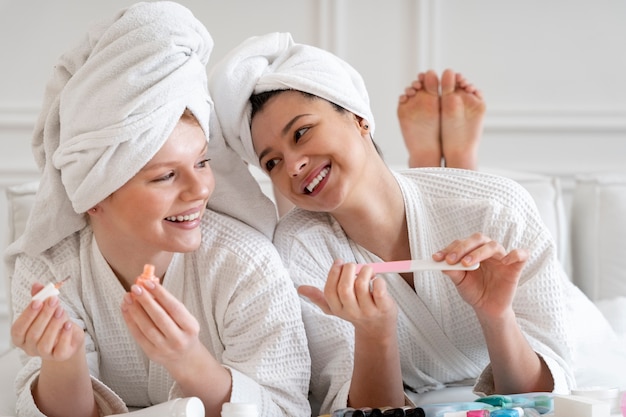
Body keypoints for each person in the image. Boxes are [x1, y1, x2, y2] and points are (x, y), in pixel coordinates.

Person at [208, 32, 575, 414]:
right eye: (272, 163)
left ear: (359, 118)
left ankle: (450, 160)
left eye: (302, 133)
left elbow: (545, 399)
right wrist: (375, 334)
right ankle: (435, 158)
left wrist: (497, 316)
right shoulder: (299, 251)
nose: (294, 165)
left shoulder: (498, 208)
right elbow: (360, 411)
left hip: (479, 232)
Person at [6, 5, 310, 417]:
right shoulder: (48, 268)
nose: (201, 187)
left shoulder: (245, 264)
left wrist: (189, 361)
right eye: (166, 176)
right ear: (94, 196)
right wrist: (63, 360)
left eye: (202, 162)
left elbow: (287, 409)